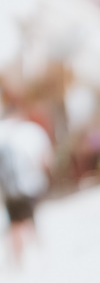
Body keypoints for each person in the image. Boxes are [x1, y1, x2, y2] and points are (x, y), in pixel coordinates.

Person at [0, 109, 52, 268]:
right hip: (29, 184)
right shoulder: (27, 131)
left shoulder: (4, 134)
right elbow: (44, 158)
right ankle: (38, 251)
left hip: (9, 189)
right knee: (27, 219)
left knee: (16, 222)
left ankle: (18, 258)